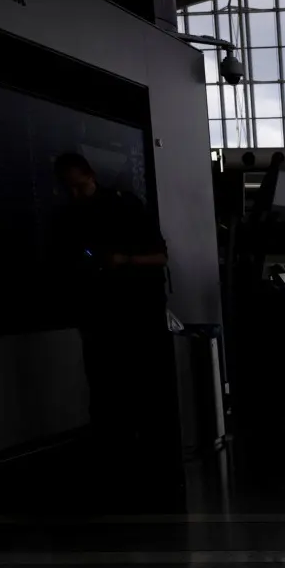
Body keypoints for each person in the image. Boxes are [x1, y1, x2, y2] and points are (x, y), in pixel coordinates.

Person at [52, 152, 172, 458]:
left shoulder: (124, 207)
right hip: (103, 314)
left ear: (91, 175)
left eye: (78, 186)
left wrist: (123, 261)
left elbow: (159, 256)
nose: (75, 194)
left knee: (134, 384)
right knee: (108, 388)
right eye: (71, 189)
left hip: (134, 312)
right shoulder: (72, 217)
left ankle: (138, 448)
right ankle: (124, 448)